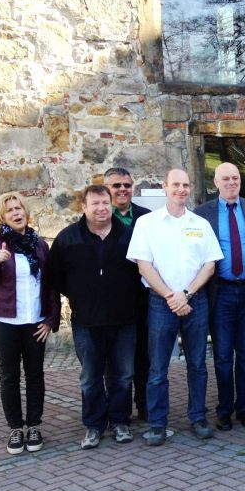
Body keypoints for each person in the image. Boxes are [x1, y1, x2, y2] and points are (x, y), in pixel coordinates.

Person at [127, 169, 223, 445]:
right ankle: (158, 423)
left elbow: (210, 264)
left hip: (195, 301)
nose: (181, 189)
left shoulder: (200, 224)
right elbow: (143, 265)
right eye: (176, 184)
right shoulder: (147, 223)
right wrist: (171, 296)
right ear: (165, 187)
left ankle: (198, 418)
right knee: (158, 367)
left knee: (198, 364)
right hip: (161, 302)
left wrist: (186, 294)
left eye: (186, 185)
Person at [46, 185, 140, 449]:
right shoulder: (68, 238)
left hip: (124, 319)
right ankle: (94, 425)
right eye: (95, 203)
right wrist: (80, 295)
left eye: (105, 203)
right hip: (86, 320)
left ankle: (120, 421)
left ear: (111, 205)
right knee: (90, 377)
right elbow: (54, 276)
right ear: (84, 207)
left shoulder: (129, 235)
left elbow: (142, 272)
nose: (101, 208)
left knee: (123, 375)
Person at [0, 193, 60, 455]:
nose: (15, 213)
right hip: (3, 320)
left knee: (35, 374)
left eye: (18, 208)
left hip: (34, 320)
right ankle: (15, 428)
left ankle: (33, 426)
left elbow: (50, 284)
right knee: (9, 375)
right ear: (2, 217)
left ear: (26, 211)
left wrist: (51, 319)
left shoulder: (39, 245)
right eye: (9, 210)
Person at [194, 162, 245, 431]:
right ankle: (224, 409)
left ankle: (244, 408)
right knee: (223, 356)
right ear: (216, 183)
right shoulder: (203, 213)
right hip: (219, 292)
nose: (231, 182)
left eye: (235, 178)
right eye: (225, 179)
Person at [104, 166, 151, 422]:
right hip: (112, 302)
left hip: (142, 300)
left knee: (144, 356)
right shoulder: (98, 219)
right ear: (106, 189)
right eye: (116, 185)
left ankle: (144, 405)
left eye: (127, 185)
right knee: (115, 362)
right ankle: (118, 412)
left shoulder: (147, 218)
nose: (123, 189)